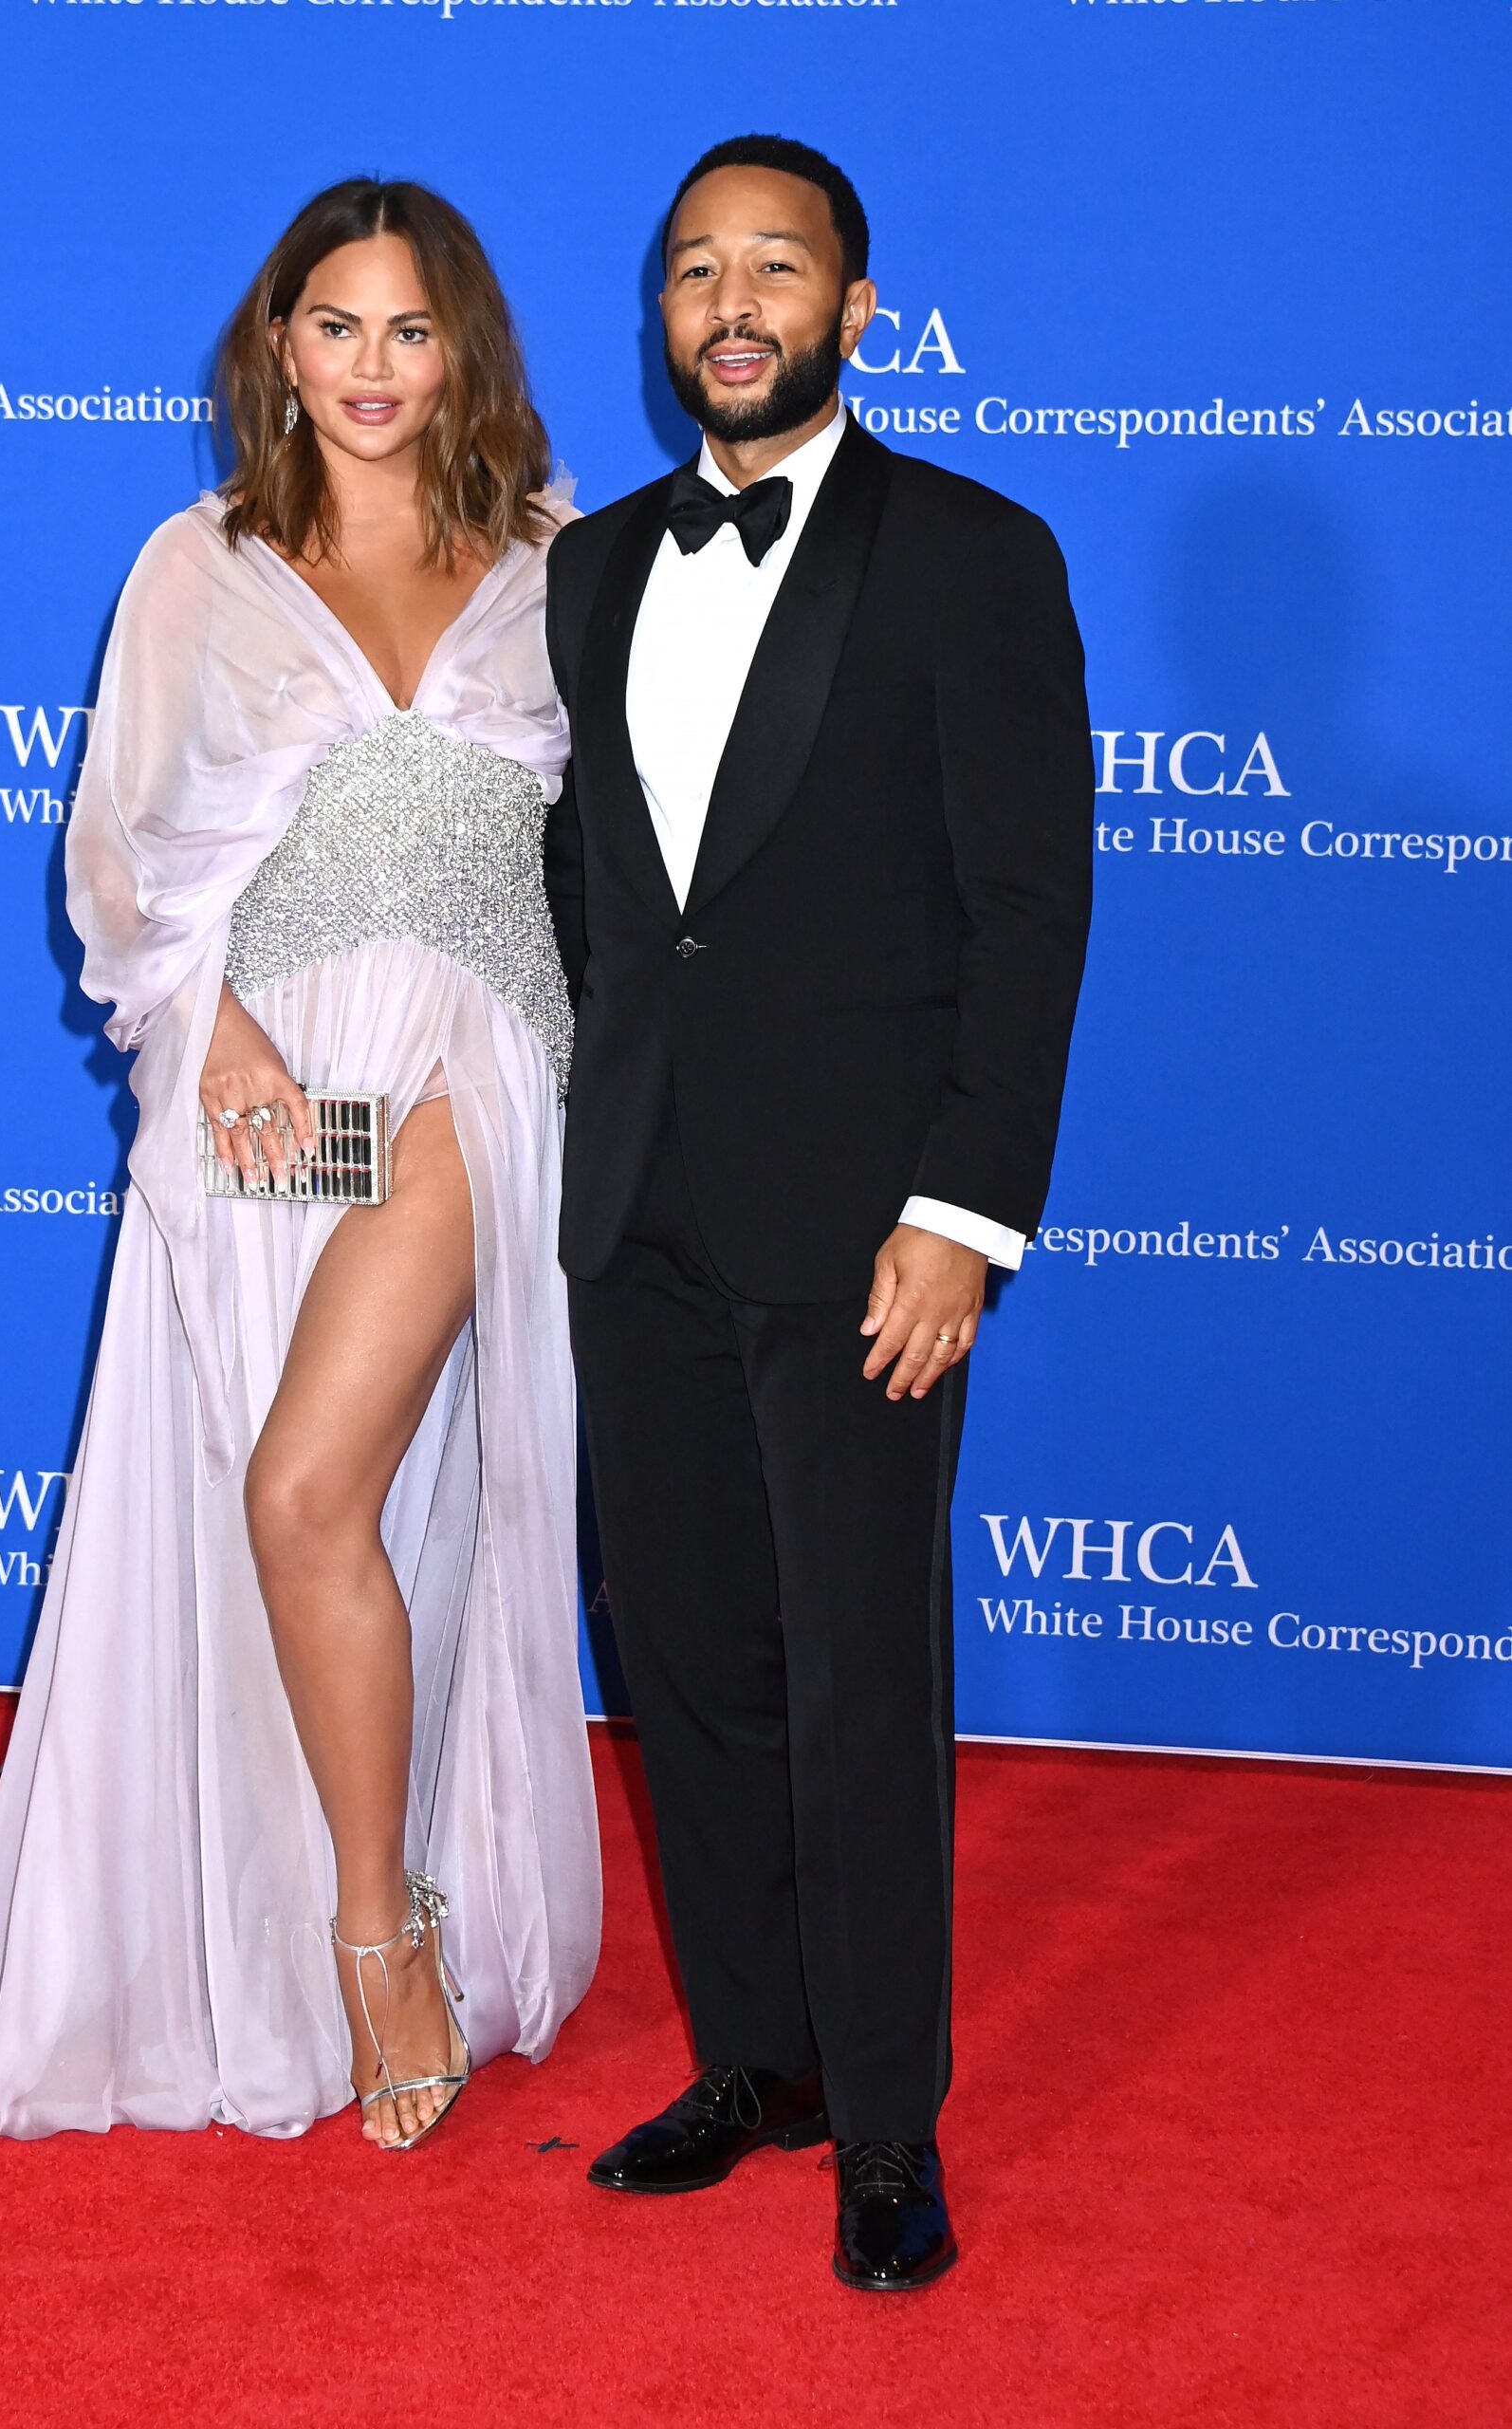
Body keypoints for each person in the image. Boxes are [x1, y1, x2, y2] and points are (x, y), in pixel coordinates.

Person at [0, 178, 600, 2154]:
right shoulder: (204, 561)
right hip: (270, 1089)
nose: (369, 367)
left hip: (476, 1075)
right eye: (333, 326)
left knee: (306, 1481)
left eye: (408, 330)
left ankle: (384, 1930)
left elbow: (637, 849)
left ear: (466, 354)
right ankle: (280, 1918)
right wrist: (220, 1022)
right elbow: (124, 852)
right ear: (280, 346)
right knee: (255, 1499)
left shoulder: (555, 555)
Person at [544, 136, 1092, 2287]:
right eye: (697, 268)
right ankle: (754, 2056)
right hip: (644, 1209)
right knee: (689, 1659)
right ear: (664, 313)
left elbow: (1031, 910)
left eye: (778, 265)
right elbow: (603, 899)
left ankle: (886, 2118)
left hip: (871, 1228)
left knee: (865, 1672)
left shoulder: (972, 553)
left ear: (860, 308)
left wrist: (962, 1208)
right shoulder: (593, 568)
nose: (733, 300)